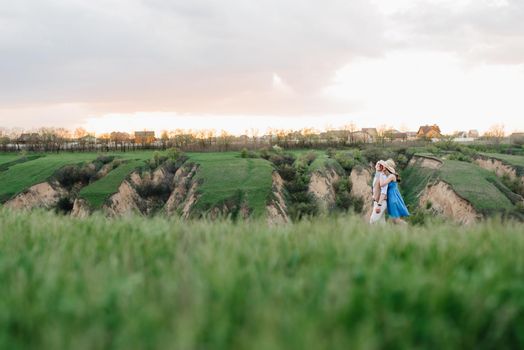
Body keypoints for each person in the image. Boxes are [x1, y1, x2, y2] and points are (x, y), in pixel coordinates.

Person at [379, 159, 410, 224]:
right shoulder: (389, 175)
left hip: (393, 198)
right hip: (391, 198)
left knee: (396, 220)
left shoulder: (391, 176)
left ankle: (408, 228)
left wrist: (381, 173)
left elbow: (382, 184)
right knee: (394, 220)